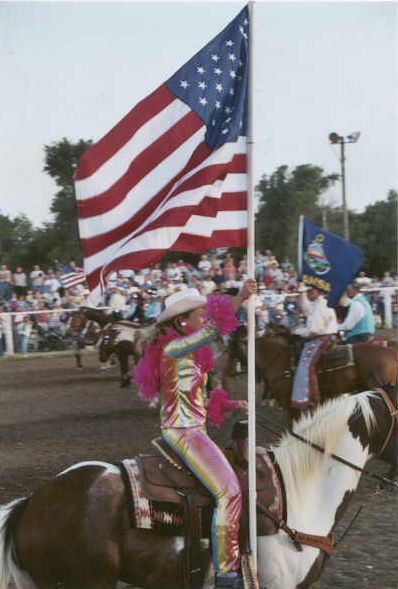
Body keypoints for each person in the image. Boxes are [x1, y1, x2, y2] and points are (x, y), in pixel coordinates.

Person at [133, 279, 257, 589]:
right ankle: (227, 577)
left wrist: (228, 405)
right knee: (229, 492)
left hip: (192, 428)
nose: (204, 317)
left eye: (204, 312)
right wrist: (241, 296)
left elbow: (194, 395)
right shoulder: (174, 347)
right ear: (181, 321)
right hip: (184, 432)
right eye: (199, 313)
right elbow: (213, 330)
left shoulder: (183, 350)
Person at [291, 285, 338, 410]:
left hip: (322, 338)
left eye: (311, 291)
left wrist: (297, 332)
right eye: (308, 292)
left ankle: (312, 398)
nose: (309, 294)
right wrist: (301, 292)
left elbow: (313, 330)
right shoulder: (319, 303)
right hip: (326, 336)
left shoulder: (320, 305)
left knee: (306, 364)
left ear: (318, 291)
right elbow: (307, 308)